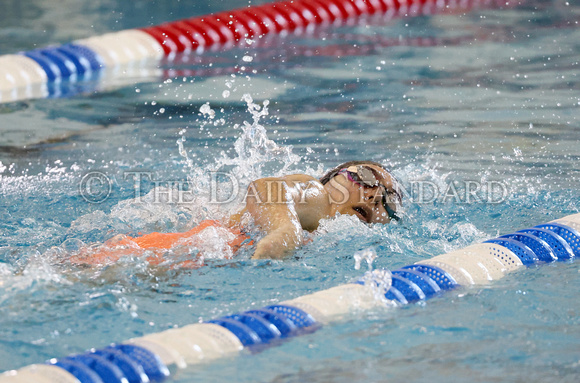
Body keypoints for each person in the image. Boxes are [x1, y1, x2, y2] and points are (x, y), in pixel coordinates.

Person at [68, 160, 402, 267]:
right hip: (188, 247)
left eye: (378, 189)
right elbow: (267, 186)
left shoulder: (329, 226)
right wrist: (285, 231)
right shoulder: (317, 195)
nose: (367, 186)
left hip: (197, 257)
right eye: (359, 173)